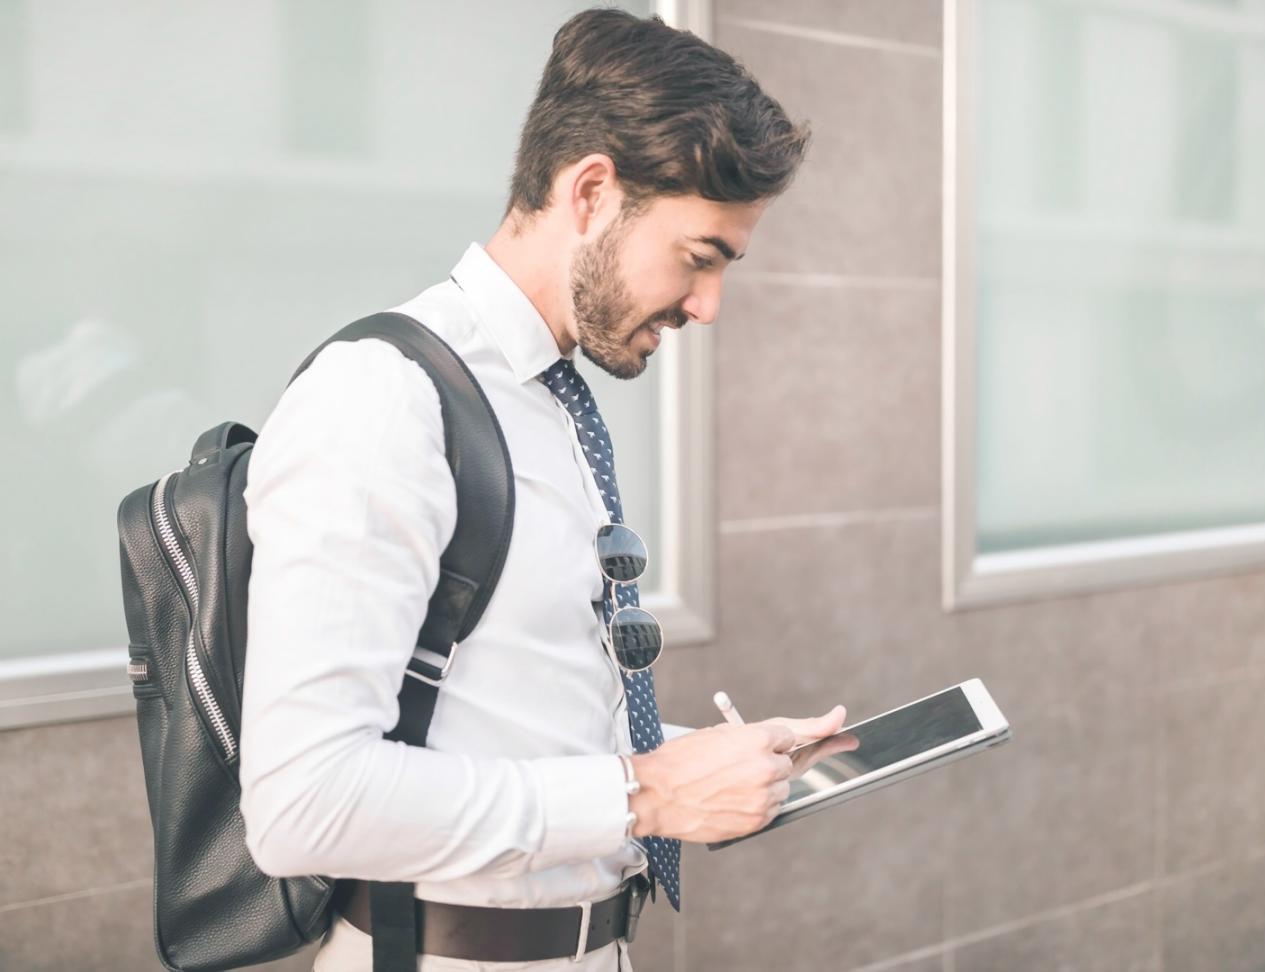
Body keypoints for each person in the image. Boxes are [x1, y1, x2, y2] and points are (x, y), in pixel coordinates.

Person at [238, 9, 849, 970]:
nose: (708, 307)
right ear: (593, 191)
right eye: (699, 257)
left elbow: (513, 710)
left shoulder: (549, 396)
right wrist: (643, 796)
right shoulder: (384, 397)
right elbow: (302, 803)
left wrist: (706, 766)